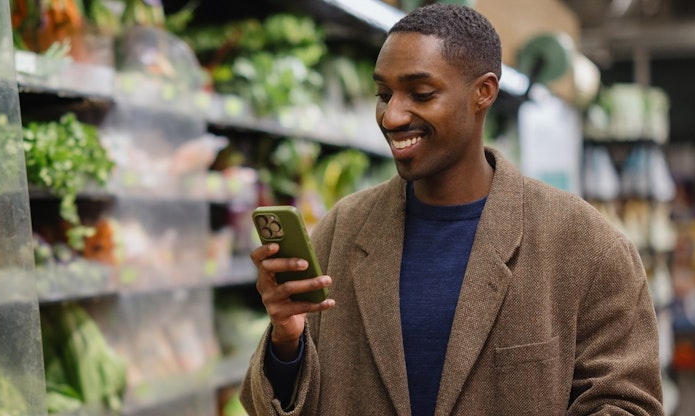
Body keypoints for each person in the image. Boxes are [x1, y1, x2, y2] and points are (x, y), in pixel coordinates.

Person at [241, 4, 664, 415]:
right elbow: (283, 403)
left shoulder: (586, 246)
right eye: (383, 94)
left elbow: (629, 404)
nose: (392, 116)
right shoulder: (342, 230)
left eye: (421, 94)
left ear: (484, 92)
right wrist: (286, 341)